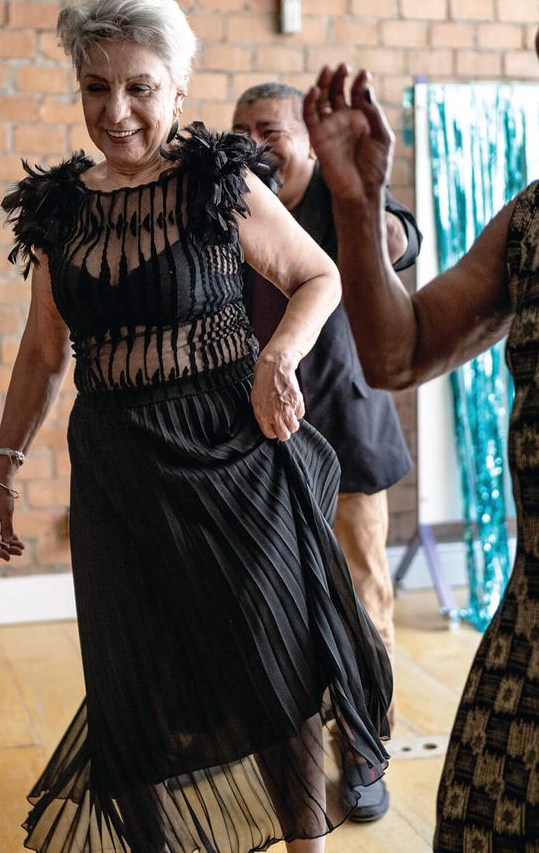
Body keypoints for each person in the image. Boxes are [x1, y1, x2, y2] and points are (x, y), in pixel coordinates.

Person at [0, 0, 392, 853]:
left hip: (232, 455)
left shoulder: (218, 181)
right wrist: (1, 468)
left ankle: (306, 843)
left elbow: (318, 277)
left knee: (274, 653)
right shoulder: (60, 210)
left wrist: (276, 355)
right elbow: (44, 352)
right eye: (96, 87)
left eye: (138, 86)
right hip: (117, 468)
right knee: (135, 675)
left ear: (176, 87)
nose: (116, 110)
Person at [302, 37, 538, 852]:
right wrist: (356, 204)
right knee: (477, 818)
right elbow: (395, 355)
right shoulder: (531, 221)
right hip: (532, 620)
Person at [232, 83, 422, 821]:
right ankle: (290, 751)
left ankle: (365, 751)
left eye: (270, 129)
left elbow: (398, 239)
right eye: (242, 130)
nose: (255, 142)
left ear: (308, 141)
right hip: (257, 446)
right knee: (275, 607)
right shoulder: (234, 205)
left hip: (347, 441)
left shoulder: (344, 202)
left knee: (362, 603)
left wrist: (363, 205)